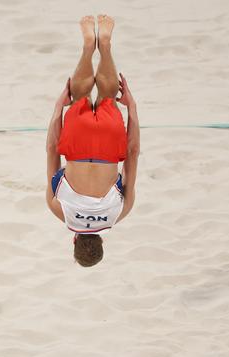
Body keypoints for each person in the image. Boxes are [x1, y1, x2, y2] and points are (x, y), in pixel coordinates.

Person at [45, 15, 141, 267]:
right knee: (79, 96)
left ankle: (105, 47)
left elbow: (132, 153)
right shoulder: (58, 211)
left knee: (108, 94)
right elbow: (52, 150)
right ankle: (89, 48)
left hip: (109, 149)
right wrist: (58, 109)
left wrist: (132, 108)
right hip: (77, 148)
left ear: (102, 241)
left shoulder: (120, 213)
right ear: (74, 241)